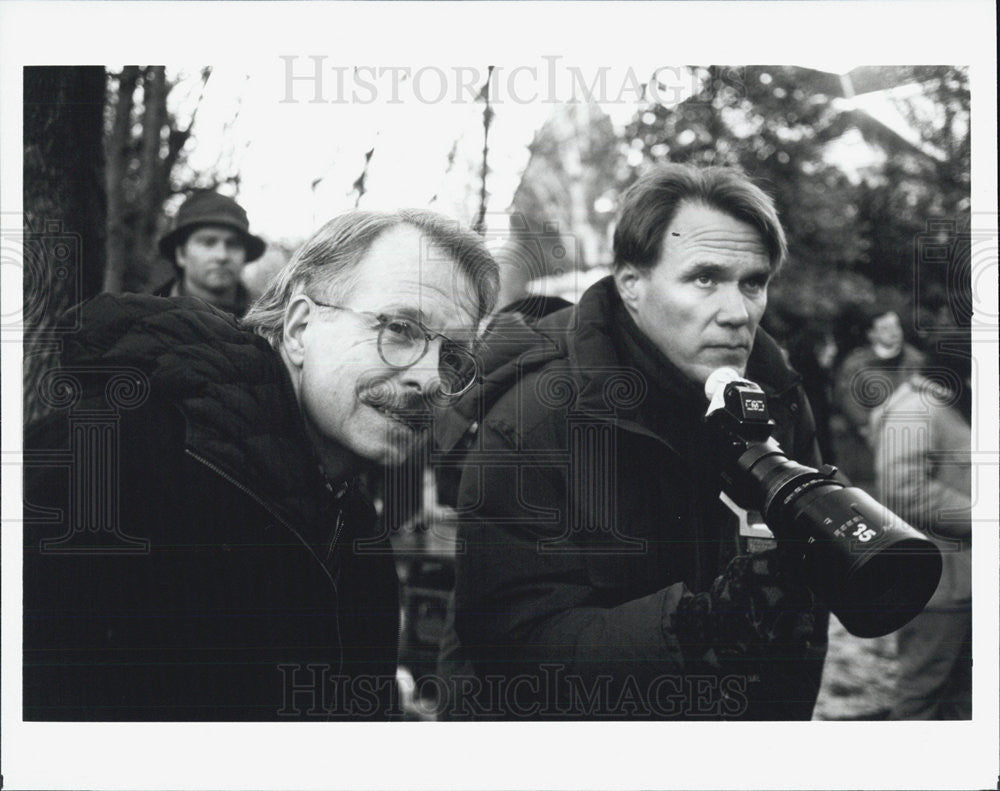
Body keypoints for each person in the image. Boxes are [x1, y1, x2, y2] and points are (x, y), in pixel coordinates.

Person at [23, 209, 499, 720]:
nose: (429, 379)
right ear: (298, 327)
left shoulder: (356, 530)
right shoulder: (115, 458)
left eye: (452, 356)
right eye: (401, 328)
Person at [435, 164, 828, 720]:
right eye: (704, 278)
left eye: (753, 282)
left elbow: (801, 627)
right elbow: (511, 645)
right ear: (632, 287)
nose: (739, 313)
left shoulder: (776, 400)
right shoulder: (538, 415)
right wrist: (699, 629)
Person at [872, 337, 972, 719]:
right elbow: (903, 491)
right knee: (923, 694)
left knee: (960, 696)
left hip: (959, 583)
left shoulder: (947, 406)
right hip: (937, 586)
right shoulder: (917, 409)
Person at [832, 307, 924, 486]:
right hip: (868, 447)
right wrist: (869, 429)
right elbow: (850, 404)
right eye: (885, 328)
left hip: (914, 442)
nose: (894, 332)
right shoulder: (856, 365)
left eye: (896, 326)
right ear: (871, 334)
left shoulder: (917, 360)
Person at [154, 191, 266, 315]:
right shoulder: (145, 318)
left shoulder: (271, 322)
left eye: (233, 244)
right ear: (181, 254)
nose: (222, 256)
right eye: (208, 243)